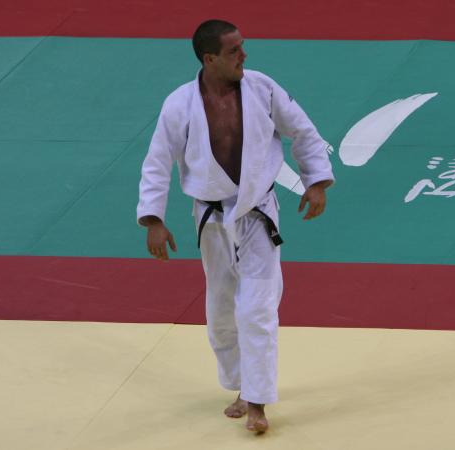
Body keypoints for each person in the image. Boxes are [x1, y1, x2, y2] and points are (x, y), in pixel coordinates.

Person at [136, 19, 334, 433]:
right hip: (210, 218)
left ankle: (259, 401)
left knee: (257, 309)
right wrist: (153, 219)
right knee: (223, 311)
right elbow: (157, 162)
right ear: (209, 58)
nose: (244, 56)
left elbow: (303, 132)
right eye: (234, 51)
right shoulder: (179, 105)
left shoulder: (262, 88)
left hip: (258, 212)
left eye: (242, 47)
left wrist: (316, 180)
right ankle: (242, 385)